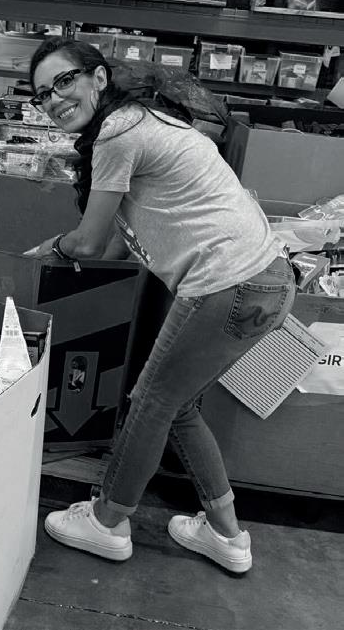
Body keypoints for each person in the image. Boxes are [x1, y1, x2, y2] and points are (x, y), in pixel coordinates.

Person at [24, 36, 296, 573]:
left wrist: (44, 252)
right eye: (42, 94)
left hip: (224, 283)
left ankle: (107, 521)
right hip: (271, 281)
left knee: (150, 401)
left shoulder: (116, 133)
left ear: (98, 78)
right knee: (178, 406)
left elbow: (88, 244)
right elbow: (118, 241)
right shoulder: (146, 121)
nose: (54, 99)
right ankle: (227, 536)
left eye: (64, 80)